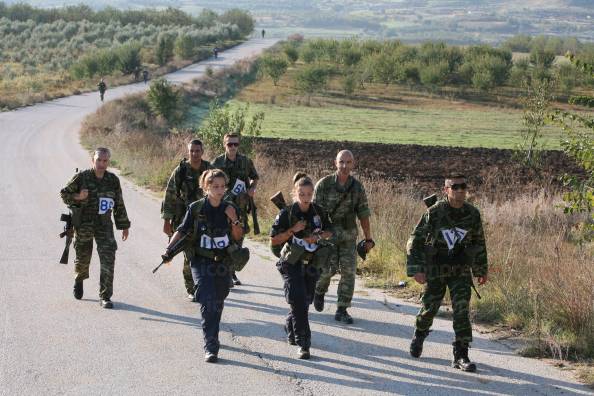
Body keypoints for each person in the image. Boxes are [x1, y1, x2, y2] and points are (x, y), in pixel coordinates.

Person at [406, 174, 488, 372]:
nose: (460, 190)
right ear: (446, 190)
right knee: (430, 307)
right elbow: (414, 240)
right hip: (436, 267)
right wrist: (416, 269)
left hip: (460, 268)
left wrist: (481, 269)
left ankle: (461, 354)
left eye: (463, 186)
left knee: (461, 309)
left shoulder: (472, 214)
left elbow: (478, 242)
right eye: (455, 187)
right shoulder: (435, 212)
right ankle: (420, 333)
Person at [164, 169, 244, 363]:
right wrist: (169, 250)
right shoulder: (196, 208)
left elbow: (238, 236)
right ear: (206, 187)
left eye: (222, 186)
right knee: (208, 301)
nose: (219, 190)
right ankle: (211, 345)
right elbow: (182, 230)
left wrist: (234, 219)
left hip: (224, 261)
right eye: (214, 186)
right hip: (201, 260)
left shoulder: (230, 207)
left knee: (218, 299)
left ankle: (212, 332)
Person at [271, 173, 333, 359]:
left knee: (306, 300)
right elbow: (274, 239)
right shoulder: (286, 213)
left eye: (308, 194)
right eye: (302, 194)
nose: (305, 198)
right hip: (291, 262)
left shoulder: (319, 211)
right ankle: (303, 343)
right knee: (298, 299)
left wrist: (319, 236)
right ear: (295, 194)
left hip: (313, 261)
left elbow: (331, 231)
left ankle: (291, 325)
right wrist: (292, 230)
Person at [60, 148, 130, 309]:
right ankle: (79, 279)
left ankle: (105, 296)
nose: (101, 164)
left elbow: (119, 203)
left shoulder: (112, 180)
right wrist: (78, 196)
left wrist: (124, 226)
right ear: (93, 160)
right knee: (83, 257)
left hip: (104, 225)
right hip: (84, 223)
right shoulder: (82, 177)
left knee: (108, 258)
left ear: (108, 162)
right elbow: (64, 193)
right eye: (99, 160)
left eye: (105, 161)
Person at [312, 150, 374, 324]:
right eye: (341, 162)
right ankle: (319, 290)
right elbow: (315, 213)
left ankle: (342, 308)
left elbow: (363, 214)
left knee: (349, 272)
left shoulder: (357, 187)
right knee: (327, 270)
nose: (345, 166)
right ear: (335, 163)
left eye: (348, 162)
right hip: (327, 236)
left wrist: (368, 238)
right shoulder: (323, 185)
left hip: (348, 237)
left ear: (353, 164)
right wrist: (316, 236)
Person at [161, 139, 211, 301]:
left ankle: (203, 285)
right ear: (188, 152)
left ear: (202, 152)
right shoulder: (181, 170)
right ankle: (192, 289)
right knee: (189, 254)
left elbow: (219, 192)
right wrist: (167, 220)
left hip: (206, 221)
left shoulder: (209, 170)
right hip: (185, 220)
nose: (195, 154)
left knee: (204, 254)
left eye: (198, 151)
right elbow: (169, 195)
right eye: (192, 151)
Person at [212, 133, 259, 287]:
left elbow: (255, 177)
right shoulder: (217, 162)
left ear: (238, 145)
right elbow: (207, 181)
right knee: (223, 238)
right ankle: (223, 271)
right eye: (229, 144)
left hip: (240, 208)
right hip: (221, 208)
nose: (232, 147)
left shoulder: (245, 161)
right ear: (224, 145)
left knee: (238, 239)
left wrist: (252, 188)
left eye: (235, 144)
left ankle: (231, 272)